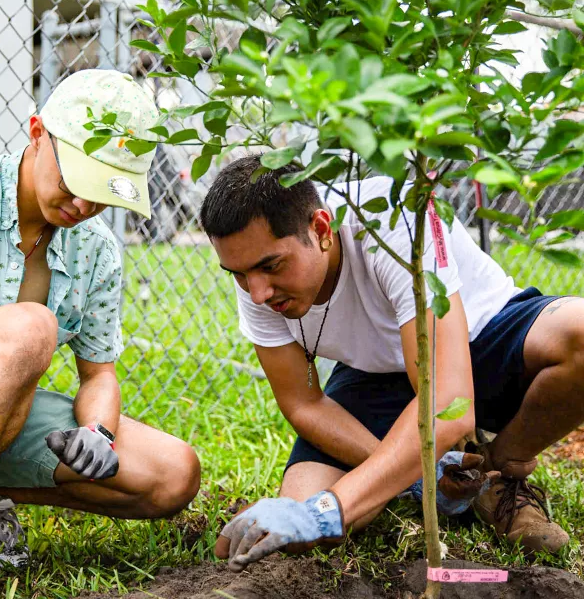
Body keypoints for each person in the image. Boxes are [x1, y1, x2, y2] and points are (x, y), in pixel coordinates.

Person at [200, 155, 581, 572]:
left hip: (481, 340)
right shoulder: (257, 281)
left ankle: (495, 471)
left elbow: (446, 403)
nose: (257, 292)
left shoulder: (395, 216)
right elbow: (303, 404)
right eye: (237, 274)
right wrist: (418, 478)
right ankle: (444, 482)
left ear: (322, 230)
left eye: (270, 266)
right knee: (294, 519)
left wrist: (329, 508)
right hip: (376, 377)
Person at [0, 69, 200, 594]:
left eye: (103, 194)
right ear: (38, 133)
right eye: (76, 182)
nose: (84, 207)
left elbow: (98, 374)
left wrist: (97, 434)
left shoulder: (97, 249)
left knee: (173, 472)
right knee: (31, 328)